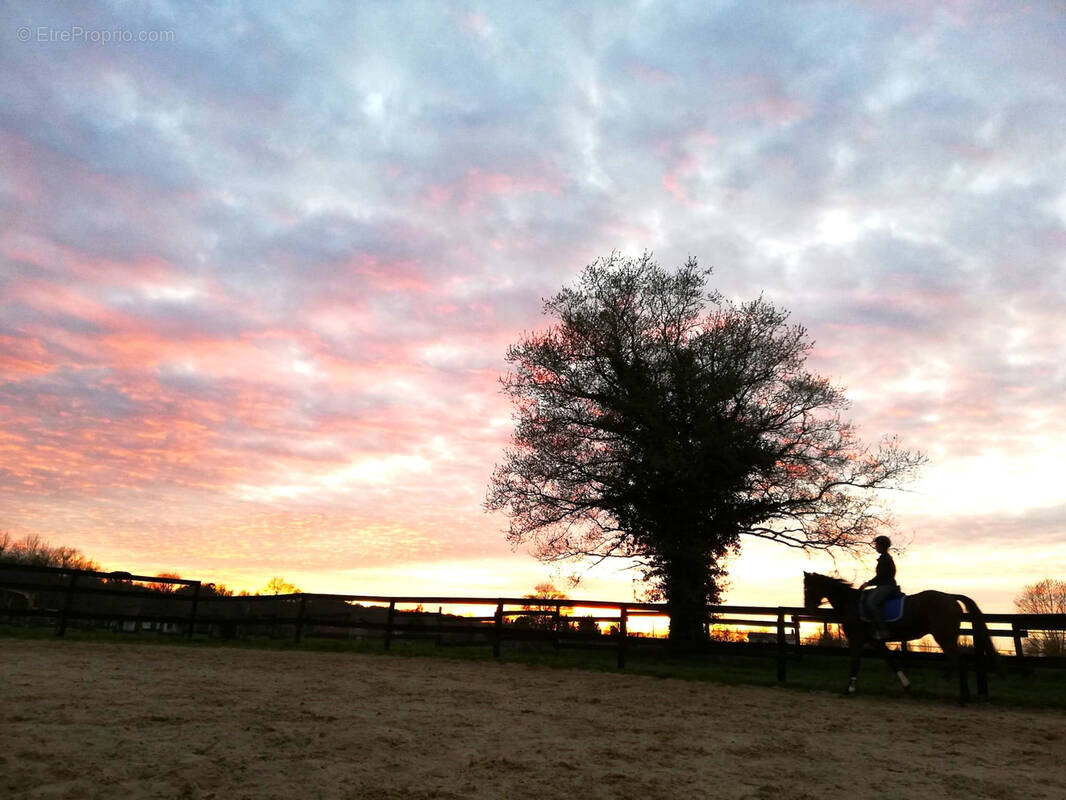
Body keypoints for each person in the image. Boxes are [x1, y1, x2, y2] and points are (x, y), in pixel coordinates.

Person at [859, 535, 897, 640]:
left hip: (886, 586)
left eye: (877, 545)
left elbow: (881, 577)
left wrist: (867, 583)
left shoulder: (885, 559)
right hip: (884, 585)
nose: (875, 546)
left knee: (871, 603)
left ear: (882, 546)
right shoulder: (884, 558)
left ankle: (883, 630)